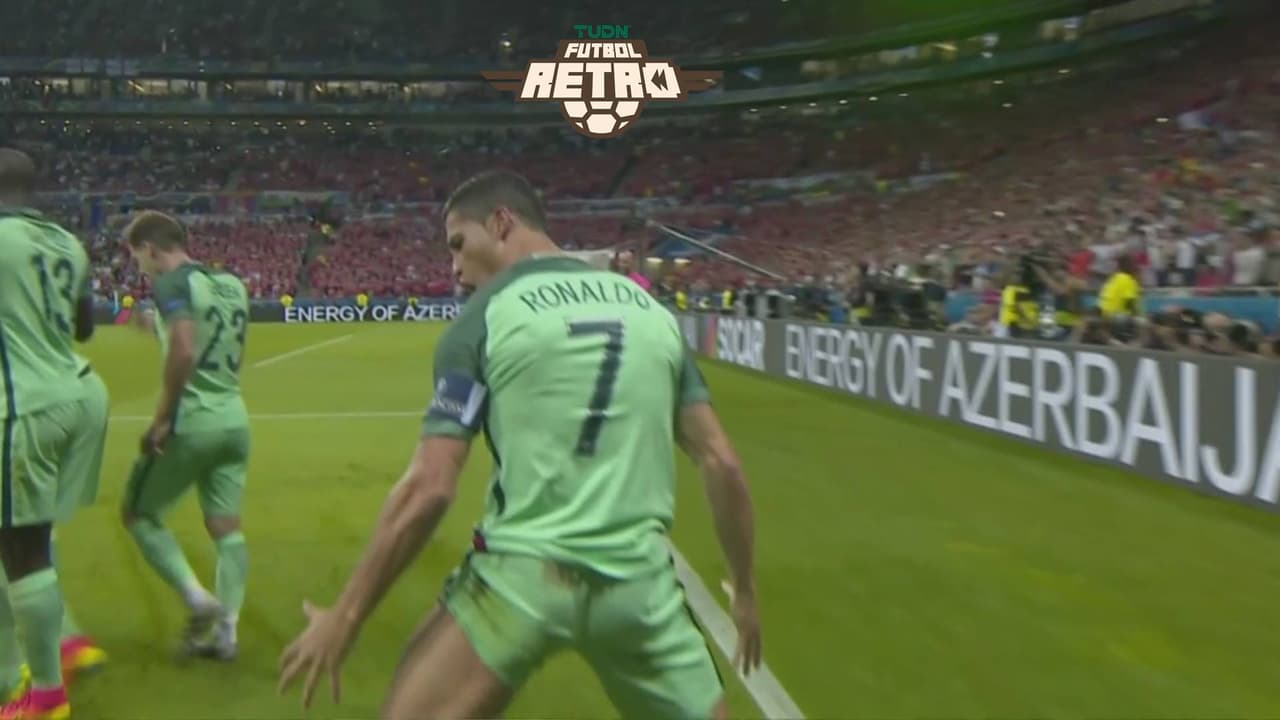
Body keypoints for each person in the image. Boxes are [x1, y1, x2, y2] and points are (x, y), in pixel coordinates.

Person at [279, 170, 761, 720]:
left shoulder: (484, 316)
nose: (454, 268)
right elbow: (722, 462)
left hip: (521, 577)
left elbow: (430, 487)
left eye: (458, 244)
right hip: (638, 586)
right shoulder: (649, 311)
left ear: (501, 223)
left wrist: (346, 616)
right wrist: (744, 591)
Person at [120, 211, 251, 661]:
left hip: (191, 422)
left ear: (151, 248)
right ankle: (227, 633)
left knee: (138, 514)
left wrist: (162, 419)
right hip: (234, 419)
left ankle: (197, 599)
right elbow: (215, 339)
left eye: (137, 256)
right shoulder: (232, 284)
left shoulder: (172, 283)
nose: (140, 266)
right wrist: (151, 326)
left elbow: (184, 347)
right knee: (226, 528)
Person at [0, 148, 100, 720]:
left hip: (22, 405)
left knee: (22, 545)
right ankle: (62, 640)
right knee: (27, 534)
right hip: (72, 395)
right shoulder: (68, 242)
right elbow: (84, 326)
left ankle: (45, 694)